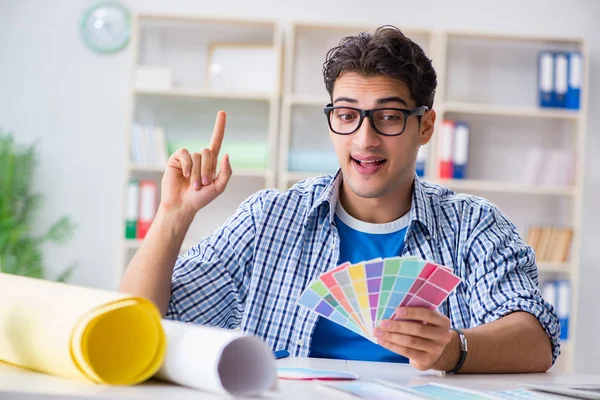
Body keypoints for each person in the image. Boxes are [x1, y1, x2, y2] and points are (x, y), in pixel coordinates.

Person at [121, 25, 559, 373]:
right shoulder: (269, 217)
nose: (364, 140)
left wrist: (455, 350)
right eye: (347, 116)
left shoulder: (473, 225)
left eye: (388, 117)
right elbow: (139, 321)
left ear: (425, 127)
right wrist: (171, 217)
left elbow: (535, 339)